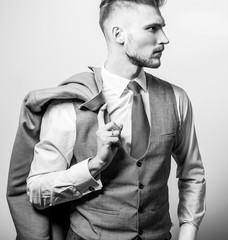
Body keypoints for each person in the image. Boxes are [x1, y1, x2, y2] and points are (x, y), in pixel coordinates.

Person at [26, 0, 206, 240]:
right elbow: (37, 191)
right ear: (118, 34)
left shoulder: (177, 98)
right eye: (152, 28)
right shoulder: (71, 104)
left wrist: (188, 232)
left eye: (162, 27)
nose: (164, 38)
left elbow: (192, 172)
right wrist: (95, 165)